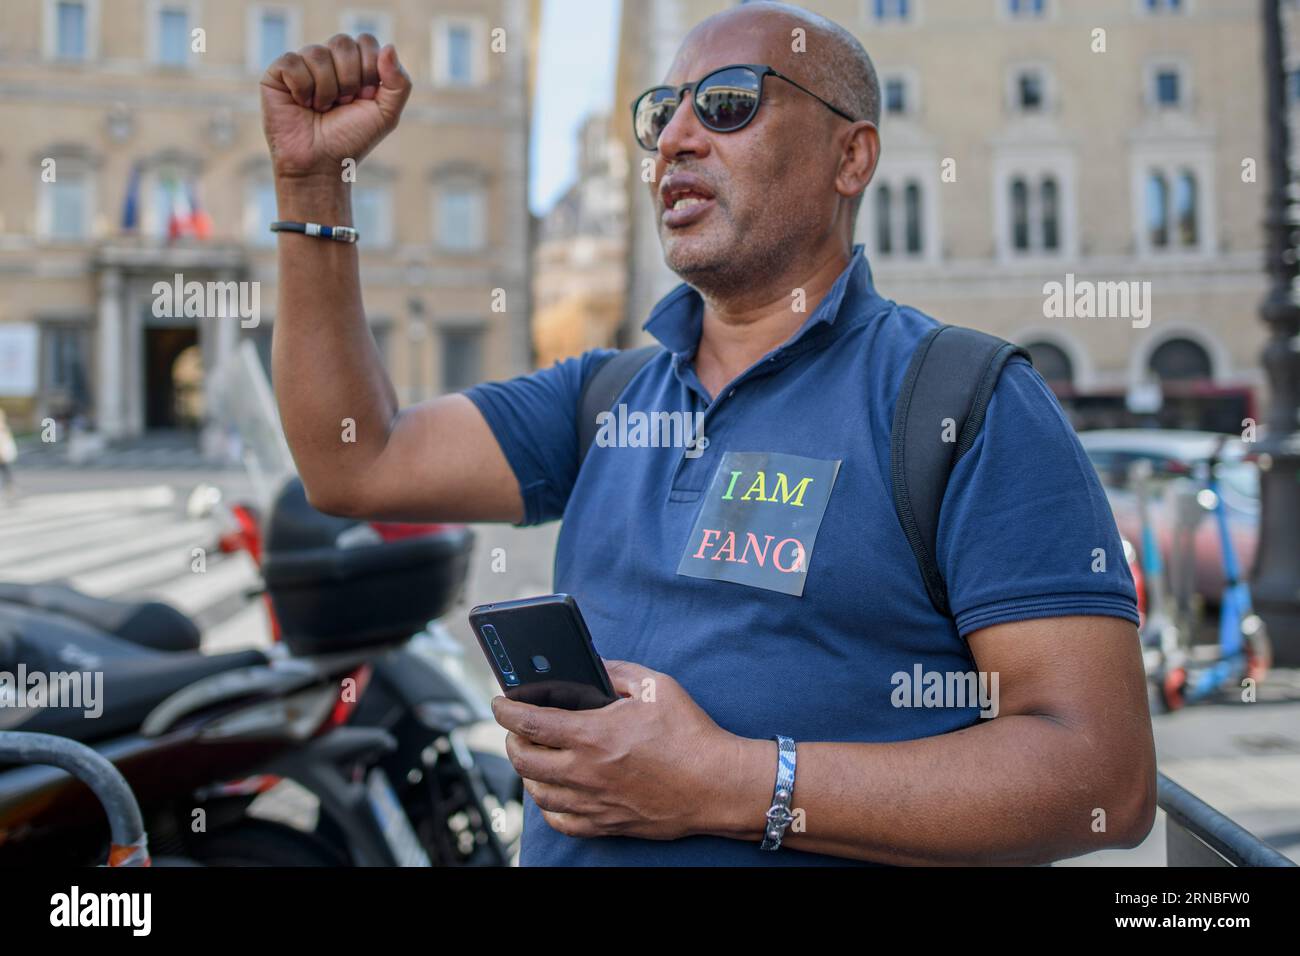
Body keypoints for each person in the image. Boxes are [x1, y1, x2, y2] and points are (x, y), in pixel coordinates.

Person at [259, 1, 1155, 866]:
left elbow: (1102, 780)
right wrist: (312, 187)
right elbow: (353, 461)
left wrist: (725, 782)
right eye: (662, 115)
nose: (678, 141)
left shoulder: (969, 401)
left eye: (728, 102)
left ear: (852, 155)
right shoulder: (606, 397)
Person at [0, 408, 17, 500]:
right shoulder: (4, 428)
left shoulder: (3, 428)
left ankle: (10, 490)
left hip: (4, 455)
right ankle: (9, 489)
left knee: (7, 473)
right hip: (4, 454)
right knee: (7, 473)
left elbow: (6, 441)